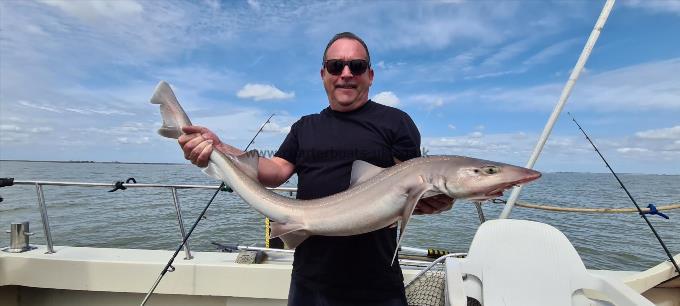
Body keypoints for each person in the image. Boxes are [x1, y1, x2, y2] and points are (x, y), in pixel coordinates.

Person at [179, 32, 454, 306]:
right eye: (336, 66)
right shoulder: (304, 127)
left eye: (356, 66)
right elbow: (274, 171)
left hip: (378, 282)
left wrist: (433, 201)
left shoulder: (396, 123)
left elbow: (411, 187)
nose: (346, 73)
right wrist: (221, 149)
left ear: (370, 75)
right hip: (310, 282)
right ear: (324, 74)